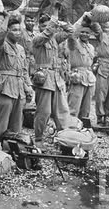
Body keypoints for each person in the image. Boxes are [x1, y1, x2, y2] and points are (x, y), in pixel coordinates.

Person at [32, 9, 73, 148]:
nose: (47, 29)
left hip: (57, 79)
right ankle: (38, 139)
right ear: (39, 27)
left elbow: (70, 31)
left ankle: (64, 140)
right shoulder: (37, 39)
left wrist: (60, 23)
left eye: (48, 26)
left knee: (61, 111)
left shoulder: (55, 39)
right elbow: (47, 34)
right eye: (43, 26)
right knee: (44, 112)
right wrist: (53, 21)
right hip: (43, 79)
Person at [0, 15, 34, 142]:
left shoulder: (21, 49)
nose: (18, 33)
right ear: (7, 31)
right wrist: (6, 19)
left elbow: (24, 70)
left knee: (17, 123)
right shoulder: (2, 46)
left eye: (19, 30)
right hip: (6, 88)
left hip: (20, 89)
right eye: (14, 30)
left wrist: (29, 87)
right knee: (2, 121)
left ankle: (13, 147)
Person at [64, 25, 96, 125]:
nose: (84, 34)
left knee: (86, 107)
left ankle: (82, 127)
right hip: (77, 76)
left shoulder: (91, 47)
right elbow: (72, 36)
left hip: (89, 78)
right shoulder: (74, 44)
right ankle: (70, 127)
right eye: (82, 32)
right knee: (74, 105)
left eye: (87, 32)